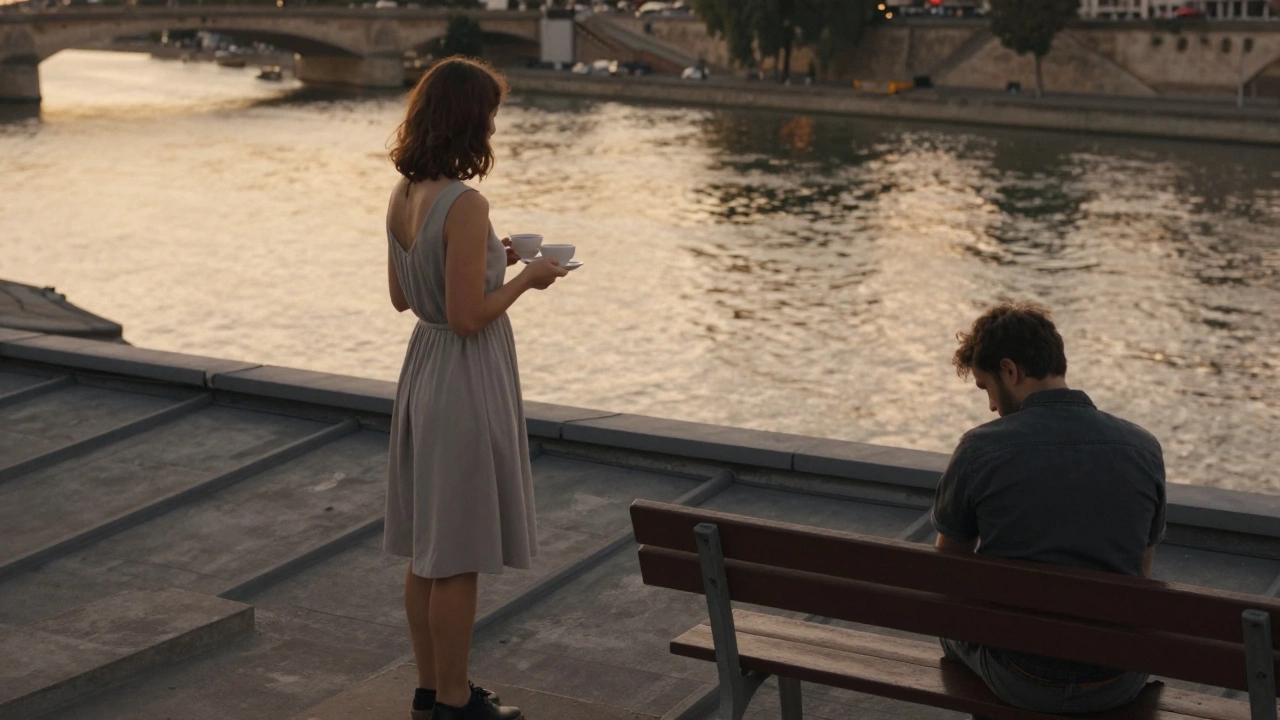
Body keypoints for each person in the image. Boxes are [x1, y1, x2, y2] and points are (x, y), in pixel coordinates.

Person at [383, 57, 567, 720]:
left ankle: (430, 690)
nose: (494, 125)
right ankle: (458, 704)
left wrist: (493, 258)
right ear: (471, 120)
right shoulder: (466, 203)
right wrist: (527, 279)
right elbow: (468, 317)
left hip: (422, 370)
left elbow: (405, 297)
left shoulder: (405, 193)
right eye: (489, 114)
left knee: (427, 548)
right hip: (463, 378)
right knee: (458, 551)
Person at [931, 303, 1165, 715]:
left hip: (1020, 675)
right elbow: (1140, 576)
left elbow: (950, 575)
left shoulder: (981, 448)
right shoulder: (1143, 447)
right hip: (1117, 677)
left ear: (1010, 371)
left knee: (956, 632)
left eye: (985, 387)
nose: (989, 406)